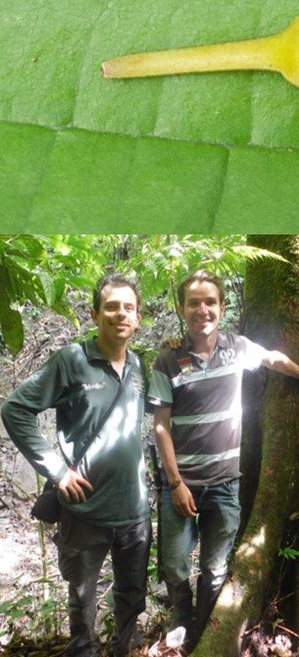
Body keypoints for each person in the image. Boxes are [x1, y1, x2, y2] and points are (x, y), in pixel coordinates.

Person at [149, 269, 299, 650]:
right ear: (182, 309)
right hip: (181, 484)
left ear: (222, 307)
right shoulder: (167, 360)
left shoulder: (236, 347)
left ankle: (203, 633)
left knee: (215, 567)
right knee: (176, 563)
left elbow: (272, 359)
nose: (203, 309)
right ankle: (181, 617)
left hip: (225, 483)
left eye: (210, 302)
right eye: (194, 303)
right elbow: (161, 427)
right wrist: (175, 483)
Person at [1, 274, 149, 657]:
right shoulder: (72, 360)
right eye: (112, 306)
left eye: (128, 307)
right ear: (94, 313)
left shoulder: (137, 365)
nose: (121, 314)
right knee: (82, 604)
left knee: (132, 597)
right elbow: (15, 409)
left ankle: (124, 652)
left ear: (138, 317)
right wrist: (58, 470)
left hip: (134, 512)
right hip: (85, 511)